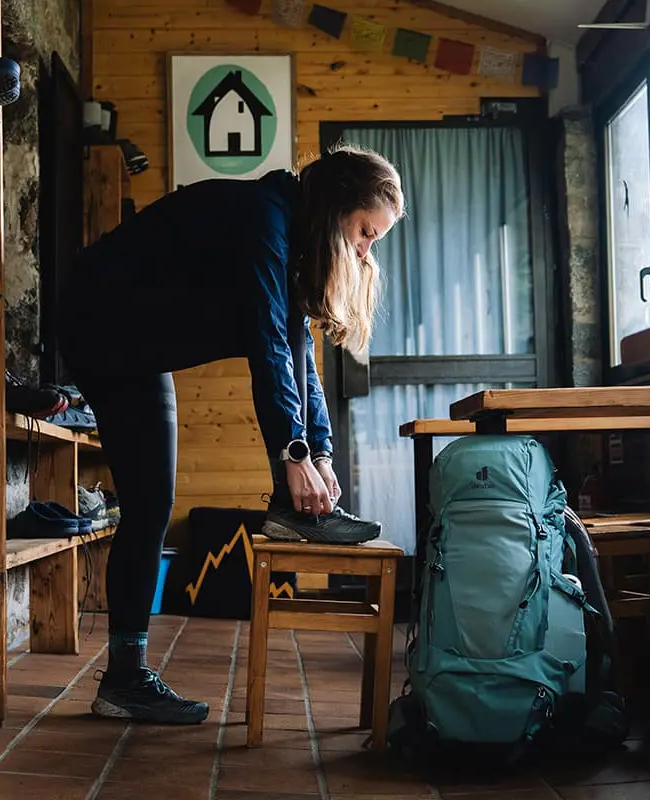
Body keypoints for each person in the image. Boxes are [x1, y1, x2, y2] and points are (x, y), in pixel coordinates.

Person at [53, 144, 405, 725]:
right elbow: (268, 345)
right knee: (150, 503)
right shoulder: (261, 219)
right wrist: (293, 455)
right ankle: (128, 675)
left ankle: (122, 680)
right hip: (101, 322)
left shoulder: (286, 235)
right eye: (366, 233)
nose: (366, 251)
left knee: (152, 505)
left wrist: (319, 452)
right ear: (337, 207)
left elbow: (297, 355)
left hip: (142, 342)